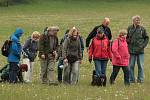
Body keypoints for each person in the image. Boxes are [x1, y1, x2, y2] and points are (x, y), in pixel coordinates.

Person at [127, 15, 149, 83]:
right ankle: (131, 80)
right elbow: (126, 37)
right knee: (131, 66)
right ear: (133, 21)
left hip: (140, 51)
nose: (138, 21)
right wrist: (128, 42)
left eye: (139, 20)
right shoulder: (129, 28)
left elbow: (146, 38)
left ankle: (140, 80)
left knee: (140, 66)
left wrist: (143, 46)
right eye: (137, 20)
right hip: (131, 50)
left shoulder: (142, 29)